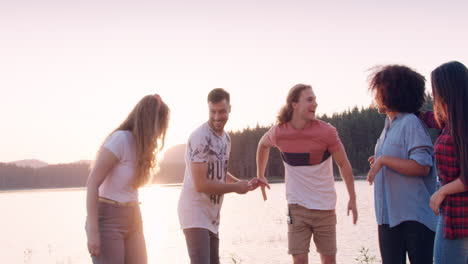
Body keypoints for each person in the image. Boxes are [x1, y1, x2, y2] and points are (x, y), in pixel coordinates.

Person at [256, 84, 358, 264]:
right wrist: (260, 174)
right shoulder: (279, 132)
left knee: (328, 261)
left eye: (315, 100)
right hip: (296, 208)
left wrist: (352, 198)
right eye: (309, 100)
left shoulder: (327, 132)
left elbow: (343, 164)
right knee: (299, 259)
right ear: (294, 104)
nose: (315, 104)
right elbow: (262, 145)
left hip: (325, 209)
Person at [177, 88, 268, 264]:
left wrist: (244, 184)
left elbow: (219, 171)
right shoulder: (200, 137)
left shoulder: (225, 139)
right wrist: (235, 188)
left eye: (222, 111)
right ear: (208, 109)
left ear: (229, 109)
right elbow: (200, 184)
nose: (217, 116)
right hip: (194, 213)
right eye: (213, 111)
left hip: (212, 216)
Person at [85, 94, 170, 264]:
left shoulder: (144, 148)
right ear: (148, 122)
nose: (160, 132)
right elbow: (92, 182)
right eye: (159, 125)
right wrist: (93, 230)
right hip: (108, 219)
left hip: (134, 217)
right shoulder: (121, 139)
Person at [366, 65, 437, 264]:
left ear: (392, 92)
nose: (375, 96)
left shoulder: (410, 123)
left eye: (378, 90)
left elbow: (422, 166)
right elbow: (400, 161)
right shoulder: (389, 125)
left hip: (414, 218)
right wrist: (380, 161)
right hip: (388, 217)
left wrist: (384, 160)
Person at [419, 61, 468, 264]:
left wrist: (441, 191)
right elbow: (435, 119)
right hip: (451, 214)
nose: (434, 95)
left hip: (460, 218)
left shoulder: (464, 124)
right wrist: (410, 110)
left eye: (436, 89)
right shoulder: (453, 119)